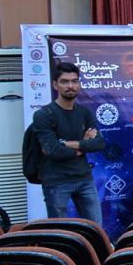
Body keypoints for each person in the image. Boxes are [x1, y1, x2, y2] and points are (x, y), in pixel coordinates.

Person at [34, 62, 106, 224]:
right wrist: (84, 144)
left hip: (84, 179)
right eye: (65, 82)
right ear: (55, 85)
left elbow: (99, 143)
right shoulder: (43, 115)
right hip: (56, 182)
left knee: (96, 229)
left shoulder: (84, 112)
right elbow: (53, 151)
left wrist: (66, 143)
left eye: (74, 81)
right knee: (60, 232)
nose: (70, 86)